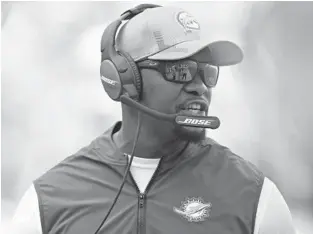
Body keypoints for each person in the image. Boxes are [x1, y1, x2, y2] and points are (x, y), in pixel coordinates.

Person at [10, 4, 299, 234]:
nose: (200, 86)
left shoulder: (256, 199)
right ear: (125, 78)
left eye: (207, 72)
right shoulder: (47, 202)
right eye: (181, 70)